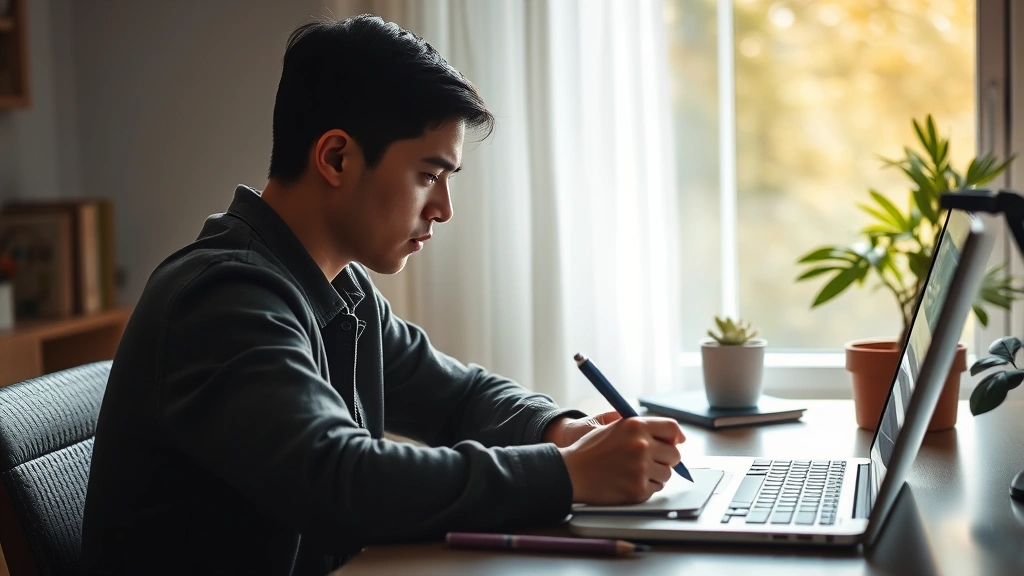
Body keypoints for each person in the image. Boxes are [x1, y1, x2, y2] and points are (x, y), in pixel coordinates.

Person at [80, 14, 685, 576]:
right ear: (337, 157)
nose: (444, 209)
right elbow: (342, 481)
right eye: (428, 176)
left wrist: (559, 431)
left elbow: (456, 397)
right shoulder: (222, 298)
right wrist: (566, 475)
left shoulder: (337, 289)